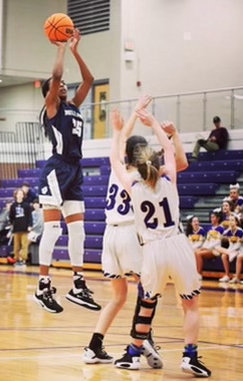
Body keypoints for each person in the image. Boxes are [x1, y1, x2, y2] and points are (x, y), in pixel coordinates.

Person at [83, 95, 188, 367]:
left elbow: (120, 140)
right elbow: (180, 164)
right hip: (131, 234)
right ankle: (142, 343)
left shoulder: (117, 169)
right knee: (148, 292)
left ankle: (94, 346)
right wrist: (167, 133)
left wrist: (126, 121)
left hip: (109, 236)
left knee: (119, 296)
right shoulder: (145, 176)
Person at [109, 108, 211, 377]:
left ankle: (133, 353)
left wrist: (119, 131)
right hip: (176, 244)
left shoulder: (133, 186)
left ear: (132, 161)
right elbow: (169, 149)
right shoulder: (169, 178)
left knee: (147, 304)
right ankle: (190, 356)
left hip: (152, 250)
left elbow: (114, 161)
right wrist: (153, 122)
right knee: (190, 305)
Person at [33, 29, 100, 314]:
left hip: (75, 170)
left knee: (79, 231)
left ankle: (77, 283)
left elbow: (89, 80)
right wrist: (60, 48)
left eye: (62, 85)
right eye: (57, 85)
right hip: (56, 170)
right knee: (52, 229)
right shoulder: (52, 108)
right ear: (50, 90)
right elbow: (57, 76)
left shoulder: (74, 106)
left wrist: (74, 49)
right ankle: (43, 285)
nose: (63, 87)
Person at [213, 214, 243, 283]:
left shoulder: (240, 231)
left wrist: (231, 251)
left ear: (236, 222)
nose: (230, 222)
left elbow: (240, 245)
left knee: (225, 254)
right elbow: (221, 236)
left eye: (232, 220)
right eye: (229, 220)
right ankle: (227, 275)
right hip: (231, 252)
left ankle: (237, 277)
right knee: (221, 252)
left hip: (239, 250)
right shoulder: (228, 231)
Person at [195, 210, 225, 278]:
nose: (211, 219)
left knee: (198, 254)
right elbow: (207, 240)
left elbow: (217, 242)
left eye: (213, 217)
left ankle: (199, 273)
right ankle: (194, 272)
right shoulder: (210, 228)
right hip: (208, 248)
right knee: (195, 252)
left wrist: (207, 248)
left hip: (215, 249)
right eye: (211, 217)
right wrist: (203, 247)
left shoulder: (221, 229)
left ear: (218, 218)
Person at [9, 188, 32, 266]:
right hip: (16, 228)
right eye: (18, 194)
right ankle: (16, 259)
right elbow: (11, 216)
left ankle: (23, 260)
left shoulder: (27, 205)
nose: (20, 195)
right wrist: (12, 223)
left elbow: (30, 216)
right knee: (16, 246)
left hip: (25, 228)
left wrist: (29, 225)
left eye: (21, 194)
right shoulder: (13, 205)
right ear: (16, 195)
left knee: (24, 245)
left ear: (23, 195)